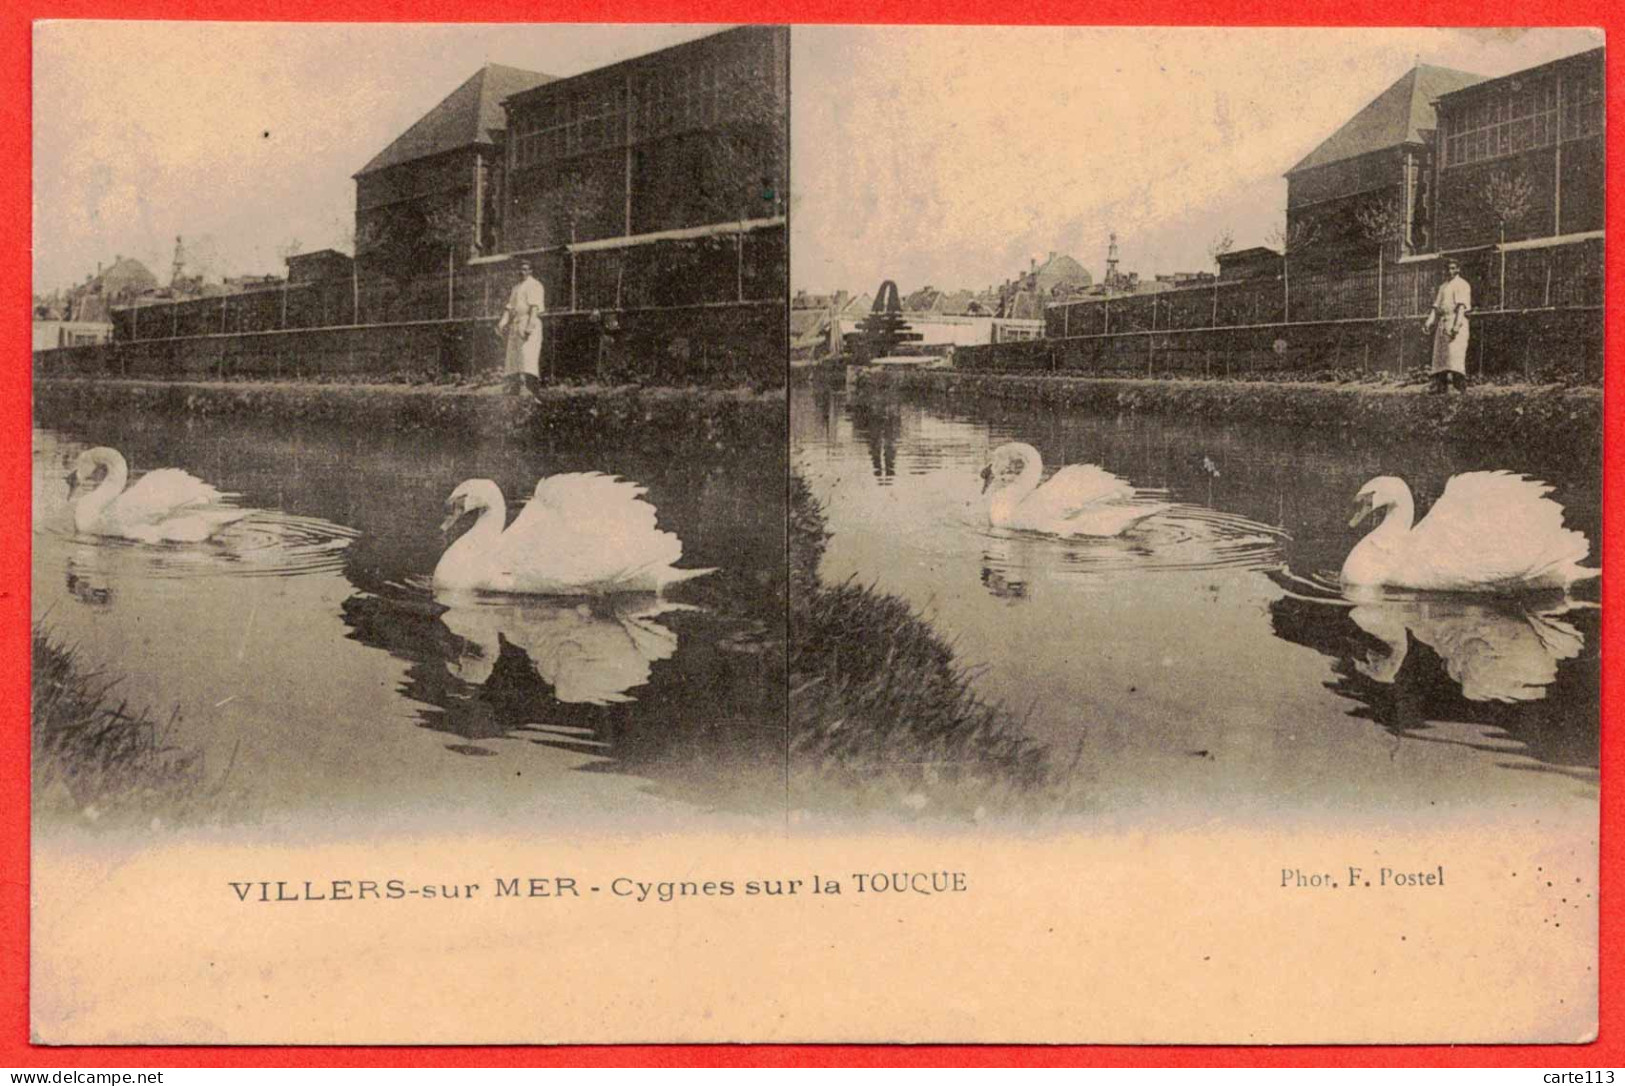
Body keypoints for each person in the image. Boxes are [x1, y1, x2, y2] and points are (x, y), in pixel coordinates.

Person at [497, 260, 545, 398]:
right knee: (514, 358)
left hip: (529, 322)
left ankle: (532, 391)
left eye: (525, 269)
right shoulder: (516, 288)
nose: (522, 272)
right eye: (520, 269)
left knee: (528, 357)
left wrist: (529, 327)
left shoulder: (535, 285)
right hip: (516, 324)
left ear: (530, 271)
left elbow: (535, 307)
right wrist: (502, 323)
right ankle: (515, 390)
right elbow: (510, 307)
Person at [1423, 258, 1471, 394]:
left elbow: (1461, 307)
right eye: (1448, 268)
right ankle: (1440, 386)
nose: (1450, 271)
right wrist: (1429, 322)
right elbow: (1436, 307)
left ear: (1458, 269)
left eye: (1453, 268)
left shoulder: (1462, 284)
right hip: (1443, 323)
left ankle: (1458, 387)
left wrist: (1456, 326)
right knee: (1440, 356)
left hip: (1456, 321)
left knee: (1455, 355)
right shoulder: (1443, 286)